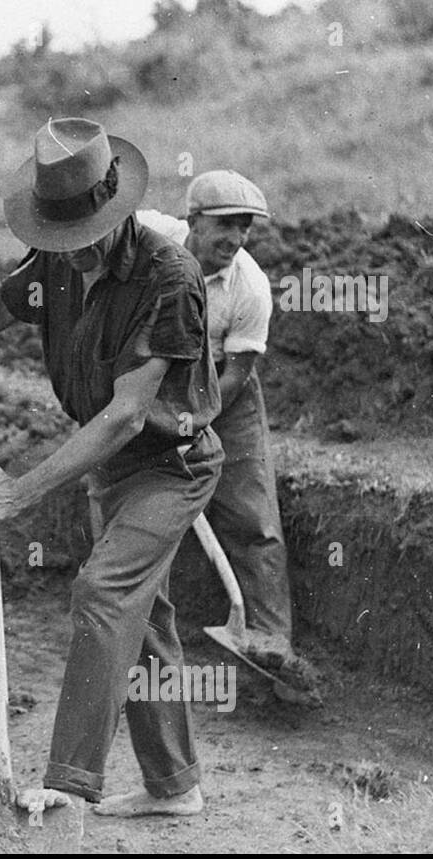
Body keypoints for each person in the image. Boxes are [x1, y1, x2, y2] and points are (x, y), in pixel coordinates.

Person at [0, 118, 224, 817]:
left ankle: (67, 785)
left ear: (118, 210)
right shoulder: (53, 262)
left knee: (103, 594)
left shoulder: (171, 277)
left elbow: (129, 414)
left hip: (171, 464)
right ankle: (175, 786)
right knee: (145, 621)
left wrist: (21, 491)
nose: (68, 254)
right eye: (55, 238)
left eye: (80, 238)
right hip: (112, 470)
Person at [137, 171, 318, 695]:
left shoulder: (250, 285)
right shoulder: (150, 238)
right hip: (152, 375)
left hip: (222, 385)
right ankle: (143, 629)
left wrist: (194, 420)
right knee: (142, 501)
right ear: (192, 219)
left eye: (244, 228)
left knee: (251, 512)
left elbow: (237, 372)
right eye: (225, 226)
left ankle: (269, 636)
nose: (235, 240)